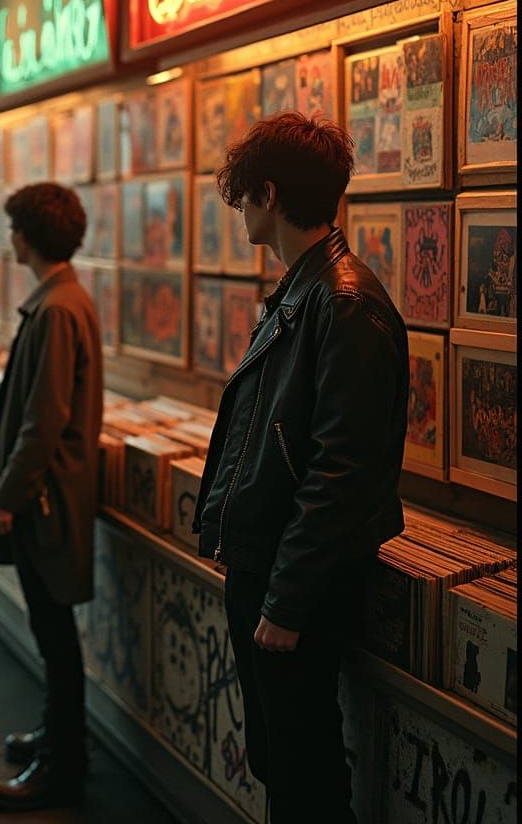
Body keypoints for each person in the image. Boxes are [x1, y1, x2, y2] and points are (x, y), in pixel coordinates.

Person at [192, 112, 408, 824]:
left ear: (271, 194)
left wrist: (285, 600)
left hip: (297, 582)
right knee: (283, 758)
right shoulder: (303, 292)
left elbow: (338, 473)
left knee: (305, 767)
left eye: (244, 195)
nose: (240, 211)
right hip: (271, 564)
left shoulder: (342, 302)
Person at [0, 182, 103, 813]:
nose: (10, 238)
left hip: (44, 502)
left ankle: (62, 765)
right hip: (53, 498)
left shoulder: (54, 308)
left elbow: (42, 421)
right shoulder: (66, 297)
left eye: (13, 227)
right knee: (52, 631)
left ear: (27, 236)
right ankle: (57, 737)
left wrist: (6, 496)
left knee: (53, 635)